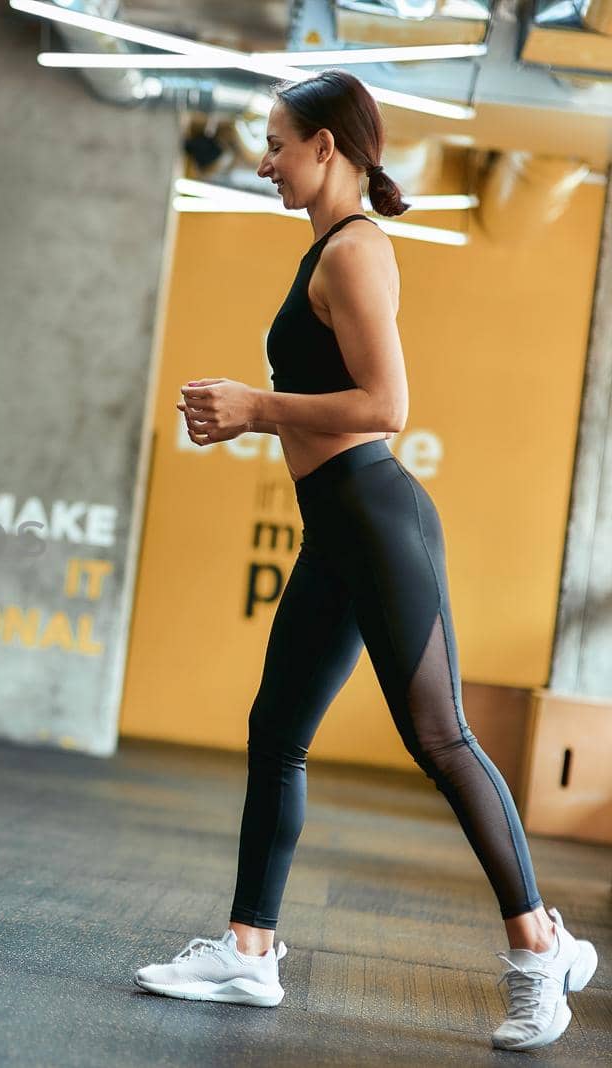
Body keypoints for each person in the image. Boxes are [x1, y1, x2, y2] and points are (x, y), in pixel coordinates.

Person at [132, 70, 597, 1051]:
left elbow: (387, 407)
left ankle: (536, 949)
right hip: (336, 527)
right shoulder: (330, 251)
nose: (261, 159)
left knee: (440, 739)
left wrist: (257, 409)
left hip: (377, 519)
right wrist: (256, 417)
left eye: (275, 142)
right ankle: (248, 951)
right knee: (277, 730)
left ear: (326, 149)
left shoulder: (352, 253)